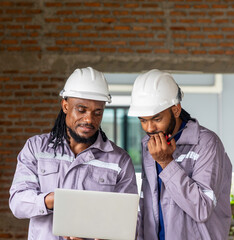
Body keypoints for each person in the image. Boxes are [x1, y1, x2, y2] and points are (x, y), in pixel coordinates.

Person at [9, 67, 138, 240]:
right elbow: (18, 202)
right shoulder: (36, 148)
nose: (89, 120)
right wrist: (55, 201)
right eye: (81, 109)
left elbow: (126, 221)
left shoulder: (119, 160)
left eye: (97, 112)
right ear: (65, 106)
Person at [128, 69, 232, 240]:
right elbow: (147, 202)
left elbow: (201, 209)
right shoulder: (149, 144)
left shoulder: (207, 144)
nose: (149, 128)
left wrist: (166, 162)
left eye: (156, 118)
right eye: (143, 120)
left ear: (176, 110)